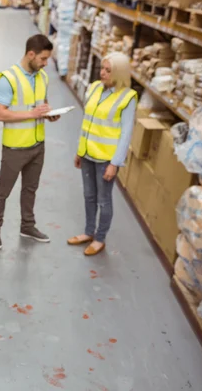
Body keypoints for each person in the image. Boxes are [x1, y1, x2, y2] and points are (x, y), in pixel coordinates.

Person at [0, 34, 61, 250]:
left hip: (38, 145)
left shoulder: (42, 77)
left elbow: (41, 106)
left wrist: (49, 114)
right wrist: (32, 114)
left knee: (30, 189)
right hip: (15, 147)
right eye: (43, 59)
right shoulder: (7, 79)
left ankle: (27, 226)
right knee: (3, 191)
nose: (46, 63)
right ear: (31, 54)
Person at [67, 52, 137, 256]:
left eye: (108, 70)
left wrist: (115, 163)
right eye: (102, 68)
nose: (103, 73)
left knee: (103, 199)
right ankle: (88, 232)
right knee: (89, 195)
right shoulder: (95, 88)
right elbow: (87, 121)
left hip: (106, 158)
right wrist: (80, 151)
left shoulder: (128, 97)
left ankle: (100, 238)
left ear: (120, 73)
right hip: (88, 153)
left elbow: (126, 133)